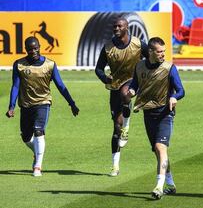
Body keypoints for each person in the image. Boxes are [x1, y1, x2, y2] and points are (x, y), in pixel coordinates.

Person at [5, 36, 79, 177]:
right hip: (26, 105)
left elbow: (60, 85)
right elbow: (15, 86)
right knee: (26, 137)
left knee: (39, 131)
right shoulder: (19, 65)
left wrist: (72, 103)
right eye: (30, 49)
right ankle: (37, 151)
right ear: (25, 49)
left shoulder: (50, 65)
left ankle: (37, 166)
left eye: (36, 48)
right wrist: (11, 106)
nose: (33, 51)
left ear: (40, 47)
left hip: (43, 103)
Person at [126, 37, 184, 200]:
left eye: (164, 51)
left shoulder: (169, 68)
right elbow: (134, 85)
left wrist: (174, 97)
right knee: (158, 152)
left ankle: (159, 186)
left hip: (165, 113)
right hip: (148, 113)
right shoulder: (139, 66)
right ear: (150, 52)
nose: (163, 55)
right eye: (159, 52)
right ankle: (171, 184)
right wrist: (131, 91)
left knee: (160, 147)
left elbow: (181, 90)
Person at [95, 17, 148, 177]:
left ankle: (127, 125)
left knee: (126, 93)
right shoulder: (108, 47)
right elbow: (98, 69)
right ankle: (115, 166)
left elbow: (151, 58)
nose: (116, 28)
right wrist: (105, 78)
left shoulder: (138, 44)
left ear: (127, 27)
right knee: (116, 129)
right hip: (115, 86)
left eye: (119, 26)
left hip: (133, 81)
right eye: (114, 26)